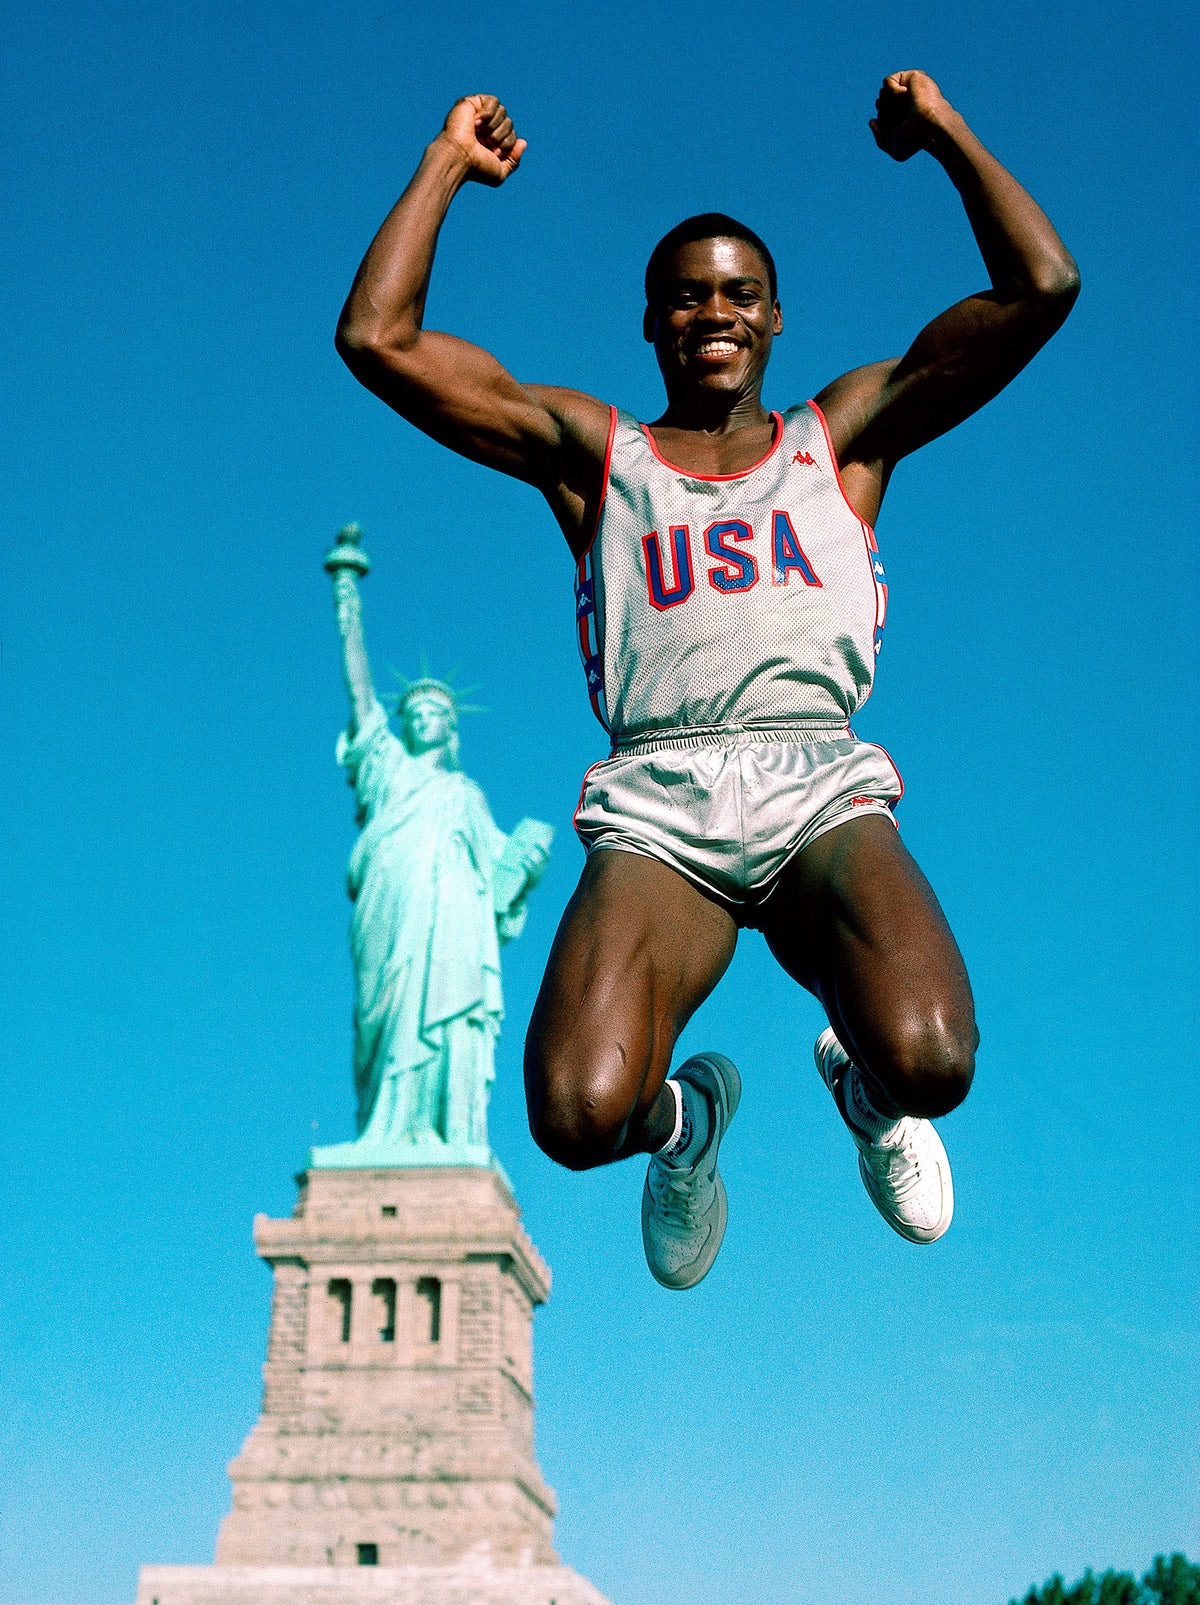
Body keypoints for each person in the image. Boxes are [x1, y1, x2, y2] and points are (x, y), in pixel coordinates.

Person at [334, 72, 1079, 1285]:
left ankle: (870, 1096)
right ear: (651, 323)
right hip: (660, 804)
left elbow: (1041, 287)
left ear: (777, 316)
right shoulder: (597, 456)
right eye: (686, 296)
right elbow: (378, 340)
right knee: (576, 1114)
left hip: (815, 786)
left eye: (738, 293)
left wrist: (945, 133)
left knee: (933, 1059)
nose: (713, 313)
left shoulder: (841, 435)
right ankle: (688, 1125)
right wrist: (445, 162)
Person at [320, 527, 551, 1165]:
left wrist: (526, 865)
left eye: (434, 714)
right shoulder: (387, 767)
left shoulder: (466, 795)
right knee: (382, 1011)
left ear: (451, 728)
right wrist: (347, 600)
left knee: (447, 1013)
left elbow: (502, 876)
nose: (422, 718)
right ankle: (382, 1131)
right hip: (389, 902)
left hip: (451, 917)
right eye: (414, 713)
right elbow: (360, 690)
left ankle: (445, 1134)